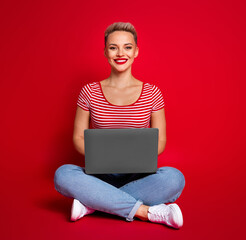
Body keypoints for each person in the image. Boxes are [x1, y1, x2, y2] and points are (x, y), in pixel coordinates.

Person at [54, 22, 185, 229]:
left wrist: (134, 155)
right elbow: (78, 138)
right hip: (99, 176)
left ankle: (94, 204)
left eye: (127, 47)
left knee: (174, 178)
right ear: (105, 51)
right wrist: (104, 156)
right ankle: (145, 212)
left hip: (139, 175)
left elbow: (160, 141)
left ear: (136, 52)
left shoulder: (152, 93)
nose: (120, 53)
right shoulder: (89, 92)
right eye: (113, 47)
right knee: (62, 174)